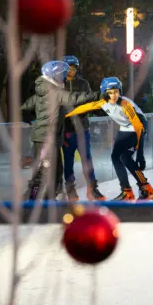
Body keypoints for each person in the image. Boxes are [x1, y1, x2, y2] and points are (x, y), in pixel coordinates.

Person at [65, 77, 153, 201]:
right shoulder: (102, 102)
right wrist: (64, 116)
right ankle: (128, 192)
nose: (113, 95)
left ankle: (145, 189)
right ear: (104, 93)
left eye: (116, 92)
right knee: (117, 157)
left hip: (138, 127)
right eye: (110, 92)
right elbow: (85, 107)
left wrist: (140, 154)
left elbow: (139, 127)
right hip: (124, 127)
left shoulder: (125, 104)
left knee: (123, 157)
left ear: (120, 92)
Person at [21, 60, 100, 201]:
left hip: (54, 138)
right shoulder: (54, 91)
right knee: (44, 171)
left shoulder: (47, 89)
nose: (66, 75)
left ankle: (49, 198)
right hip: (46, 139)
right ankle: (32, 200)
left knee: (56, 171)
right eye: (63, 73)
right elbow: (75, 98)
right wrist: (99, 96)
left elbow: (26, 106)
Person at [59, 55, 104, 201]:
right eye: (68, 68)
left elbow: (89, 100)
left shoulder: (83, 84)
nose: (71, 71)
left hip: (82, 129)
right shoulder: (59, 85)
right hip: (66, 130)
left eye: (73, 68)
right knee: (68, 161)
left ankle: (93, 189)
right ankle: (70, 189)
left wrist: (98, 108)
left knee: (87, 159)